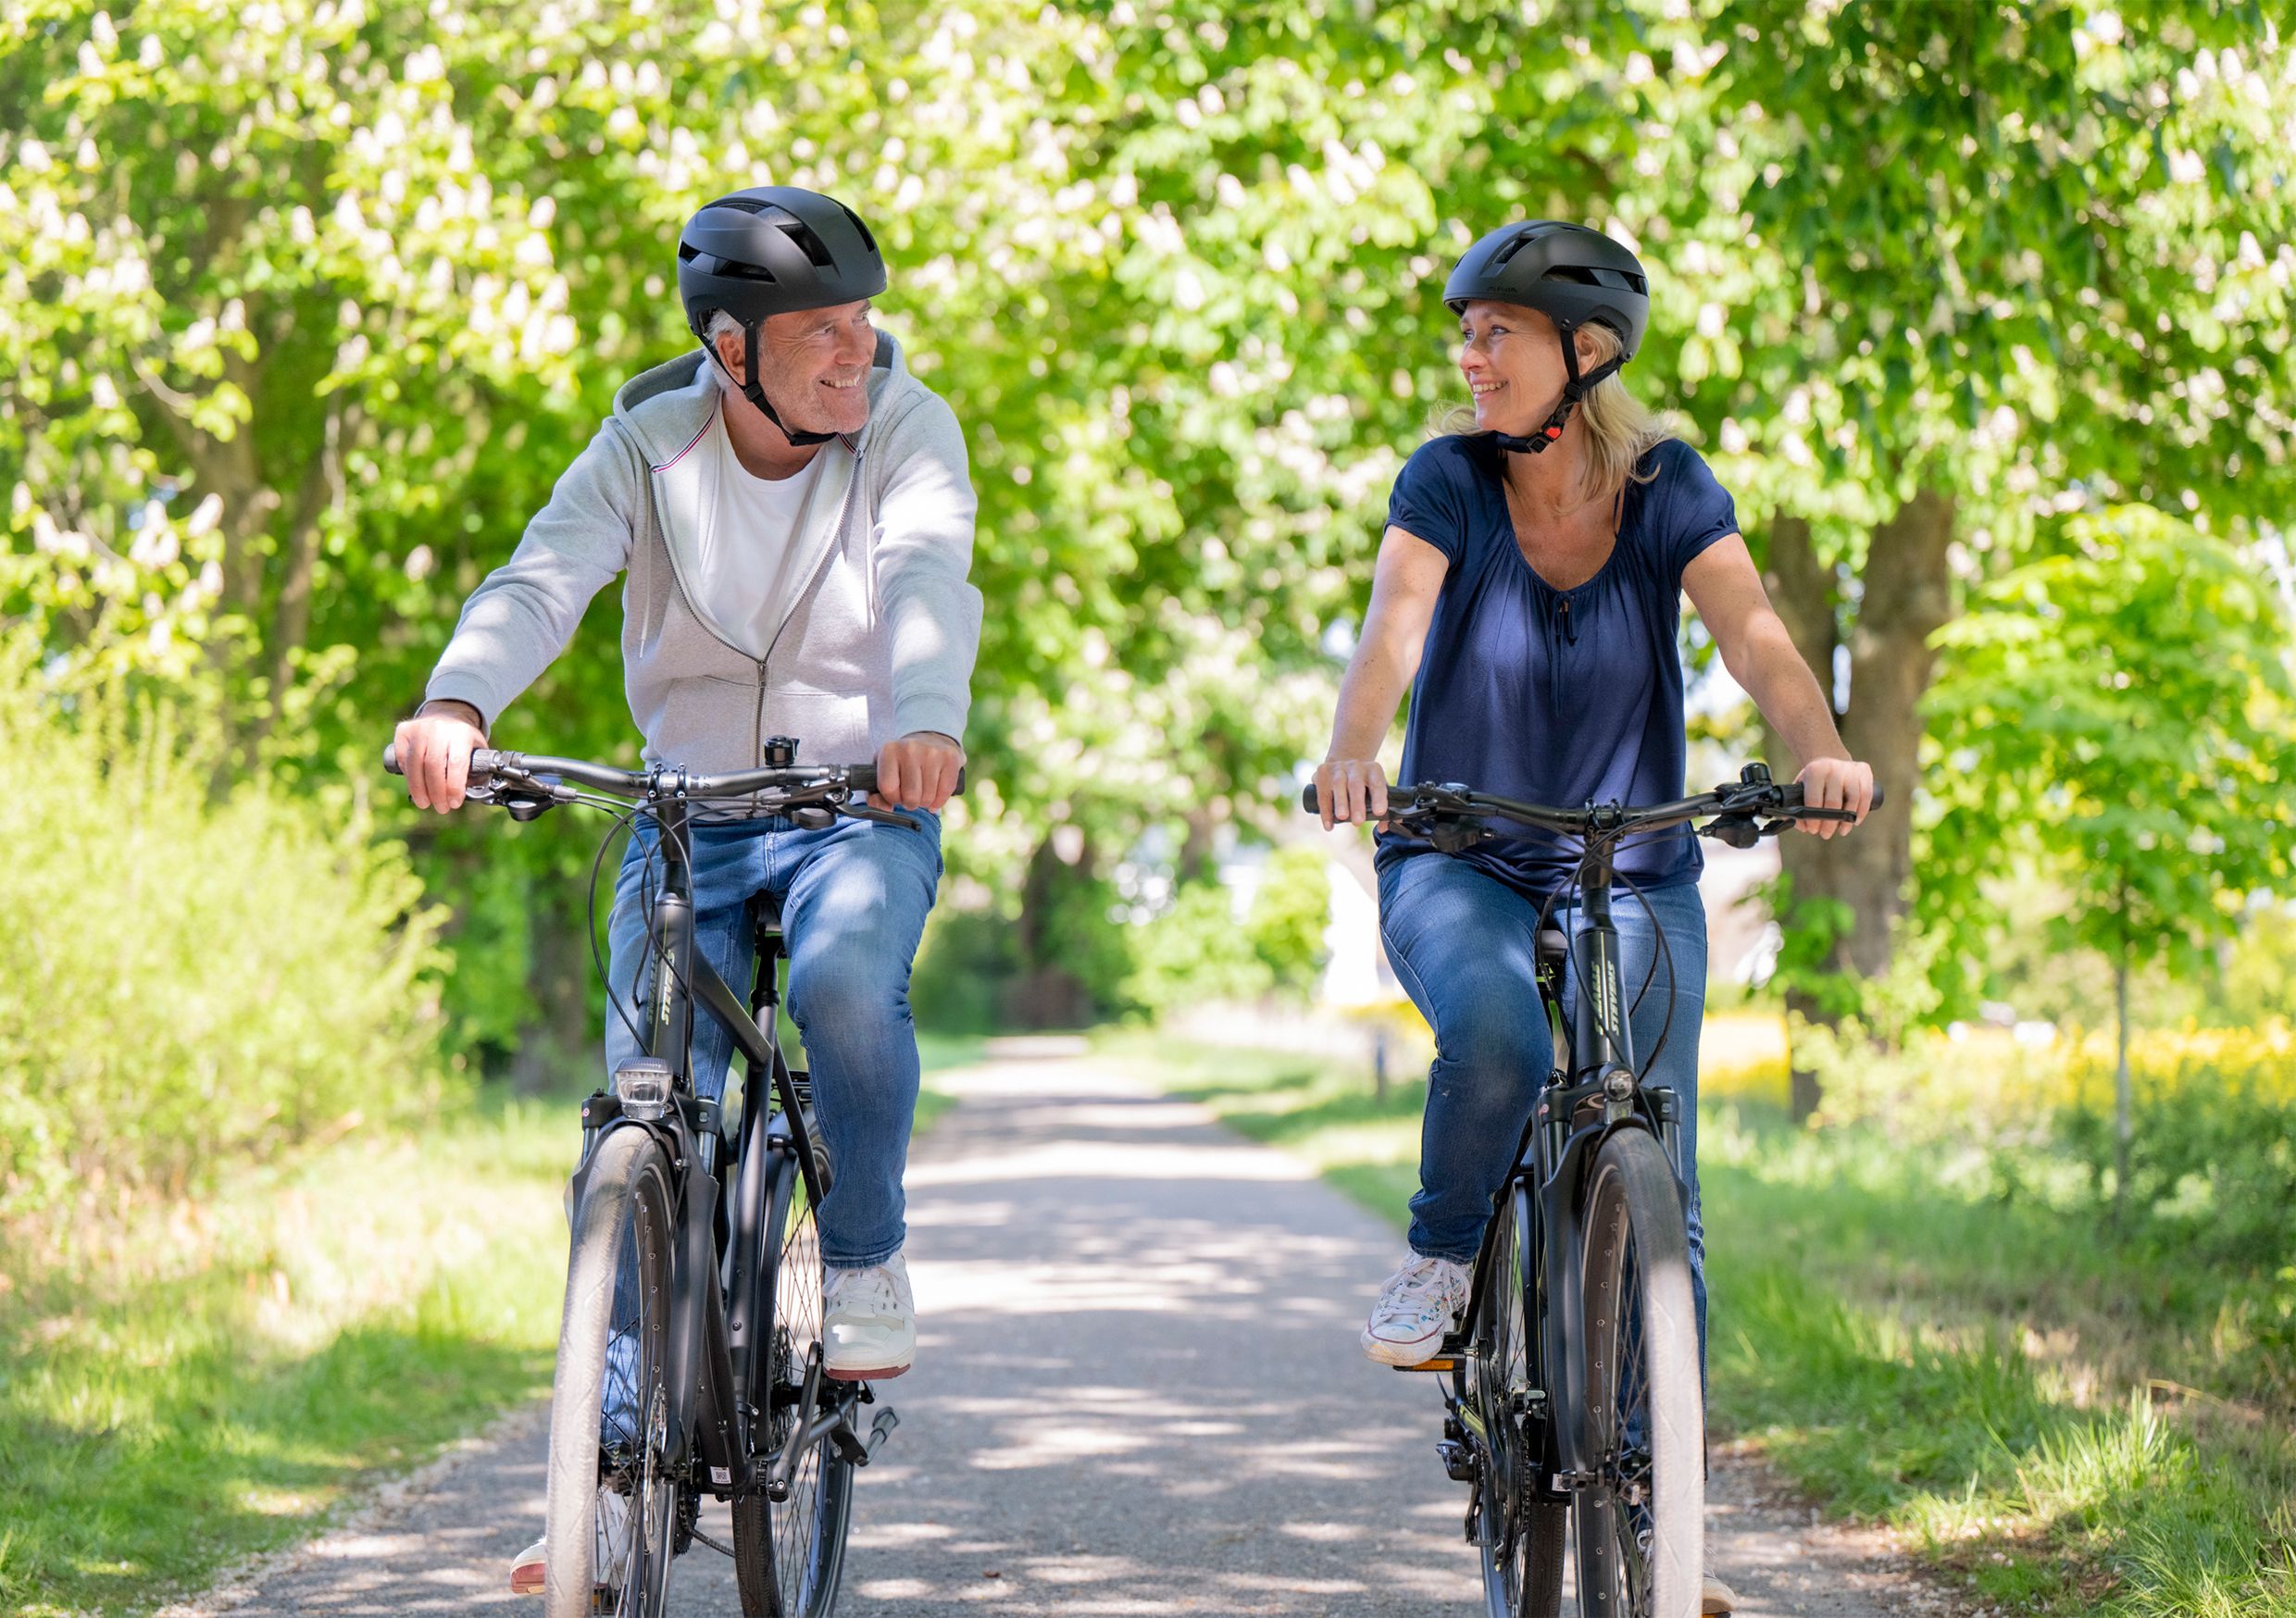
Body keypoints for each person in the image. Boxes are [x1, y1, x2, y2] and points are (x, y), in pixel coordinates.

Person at [390, 185, 981, 1593]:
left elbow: (929, 579)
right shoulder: (646, 445)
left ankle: (863, 1254)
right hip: (686, 815)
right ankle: (598, 1469)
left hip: (856, 805)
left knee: (842, 983)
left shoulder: (908, 428)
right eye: (822, 333)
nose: (858, 352)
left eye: (865, 324)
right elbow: (543, 577)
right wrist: (459, 697)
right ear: (733, 350)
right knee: (639, 1109)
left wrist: (925, 714)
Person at [1312, 219, 1874, 1618]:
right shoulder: (1447, 480)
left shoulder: (1669, 487)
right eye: (1467, 329)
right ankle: (1446, 1259)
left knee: (1664, 1180)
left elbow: (1753, 636)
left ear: (1585, 352)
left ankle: (1659, 1509)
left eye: (1495, 330)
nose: (1469, 352)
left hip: (1634, 870)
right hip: (1460, 853)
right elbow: (1393, 625)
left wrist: (1819, 745)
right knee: (1497, 1033)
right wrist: (1353, 748)